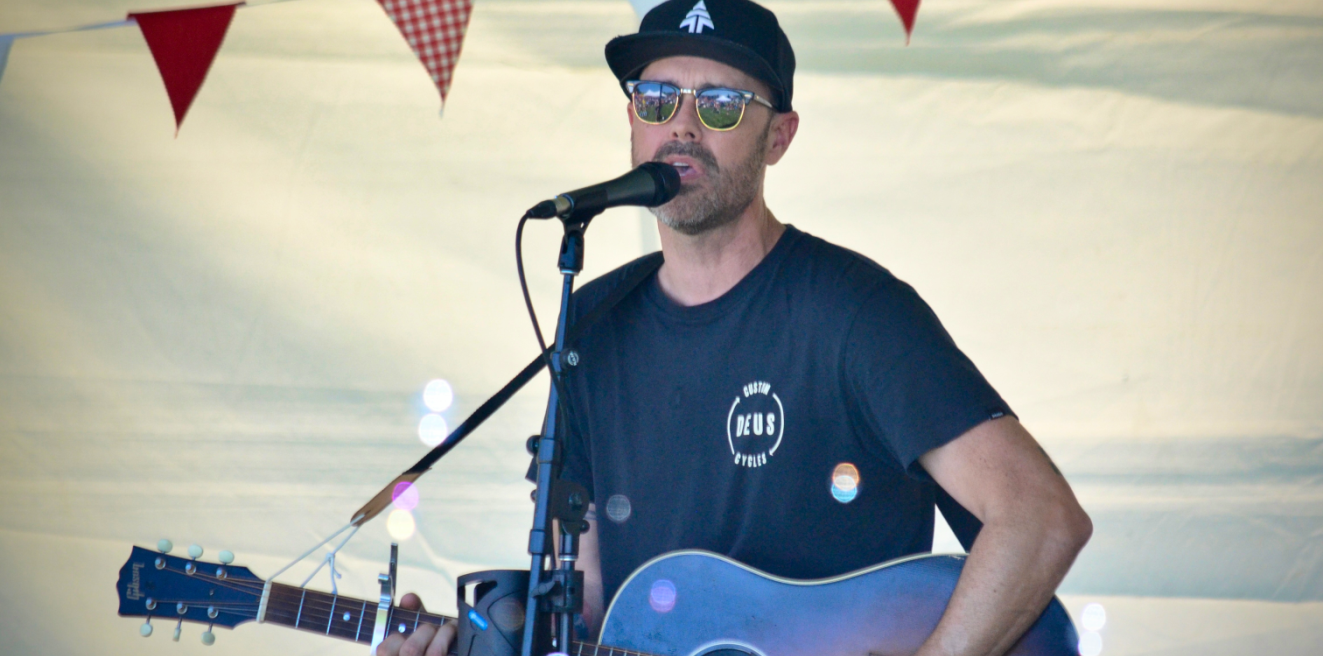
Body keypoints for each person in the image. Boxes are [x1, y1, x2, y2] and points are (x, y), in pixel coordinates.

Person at [379, 1, 1091, 655]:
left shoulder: (855, 312)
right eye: (656, 99)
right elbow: (587, 609)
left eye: (720, 104)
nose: (681, 125)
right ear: (633, 124)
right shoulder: (590, 326)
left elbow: (1040, 518)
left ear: (778, 137)